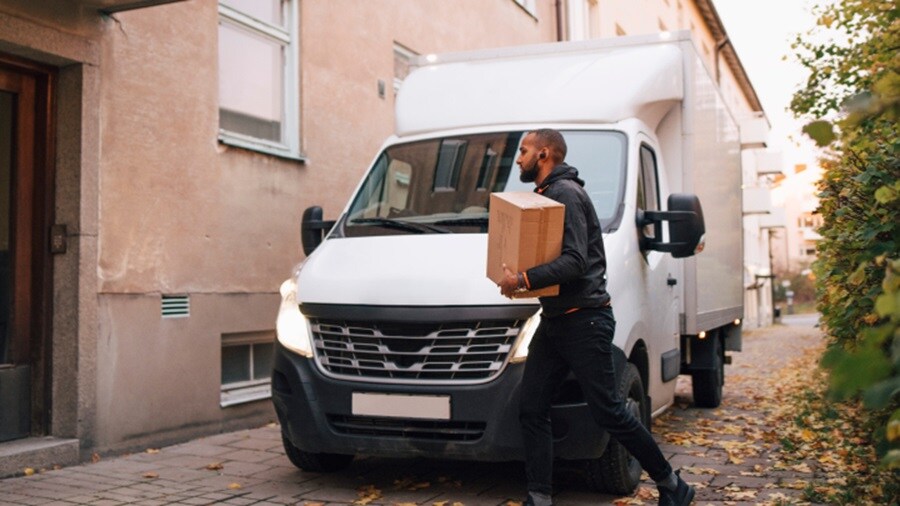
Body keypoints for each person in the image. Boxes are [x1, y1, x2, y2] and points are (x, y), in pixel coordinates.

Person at [496, 129, 695, 506]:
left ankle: (673, 486)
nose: (518, 158)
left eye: (523, 151)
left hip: (585, 322)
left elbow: (575, 262)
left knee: (610, 412)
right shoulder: (546, 197)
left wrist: (522, 279)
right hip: (555, 321)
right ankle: (539, 497)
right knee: (532, 407)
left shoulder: (566, 194)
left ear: (544, 155)